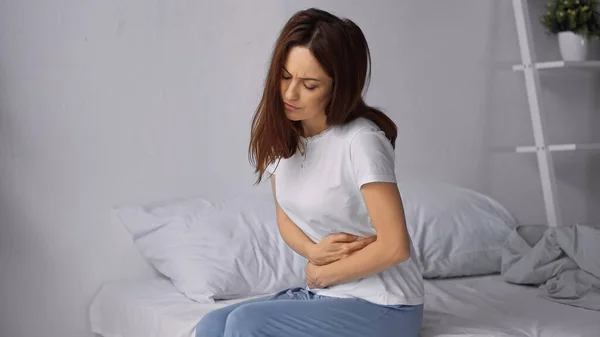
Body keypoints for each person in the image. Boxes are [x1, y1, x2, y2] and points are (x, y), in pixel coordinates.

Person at [195, 7, 424, 337]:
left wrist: (323, 275)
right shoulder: (282, 137)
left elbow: (395, 246)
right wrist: (313, 252)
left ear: (338, 87)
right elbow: (285, 216)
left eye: (310, 85)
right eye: (285, 77)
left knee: (246, 324)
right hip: (325, 297)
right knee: (212, 325)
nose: (290, 94)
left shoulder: (361, 141)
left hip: (386, 304)